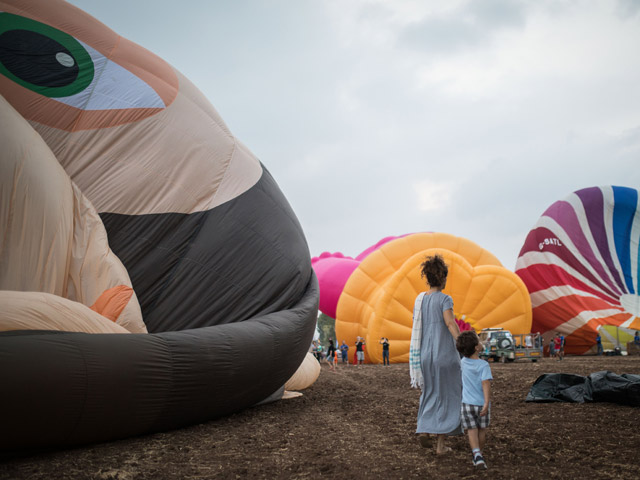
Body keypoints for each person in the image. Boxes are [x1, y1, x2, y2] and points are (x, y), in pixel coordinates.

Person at [410, 254, 461, 455]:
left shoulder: (421, 301)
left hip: (425, 356)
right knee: (447, 395)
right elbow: (450, 323)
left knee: (429, 392)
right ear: (443, 278)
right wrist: (462, 343)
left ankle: (424, 427)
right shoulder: (444, 299)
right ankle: (440, 446)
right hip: (444, 355)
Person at [456, 330, 492, 469]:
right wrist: (486, 403)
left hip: (466, 404)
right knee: (481, 430)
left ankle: (476, 454)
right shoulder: (483, 365)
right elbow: (485, 384)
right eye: (479, 341)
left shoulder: (463, 362)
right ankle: (479, 454)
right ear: (477, 348)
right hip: (481, 404)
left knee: (472, 430)